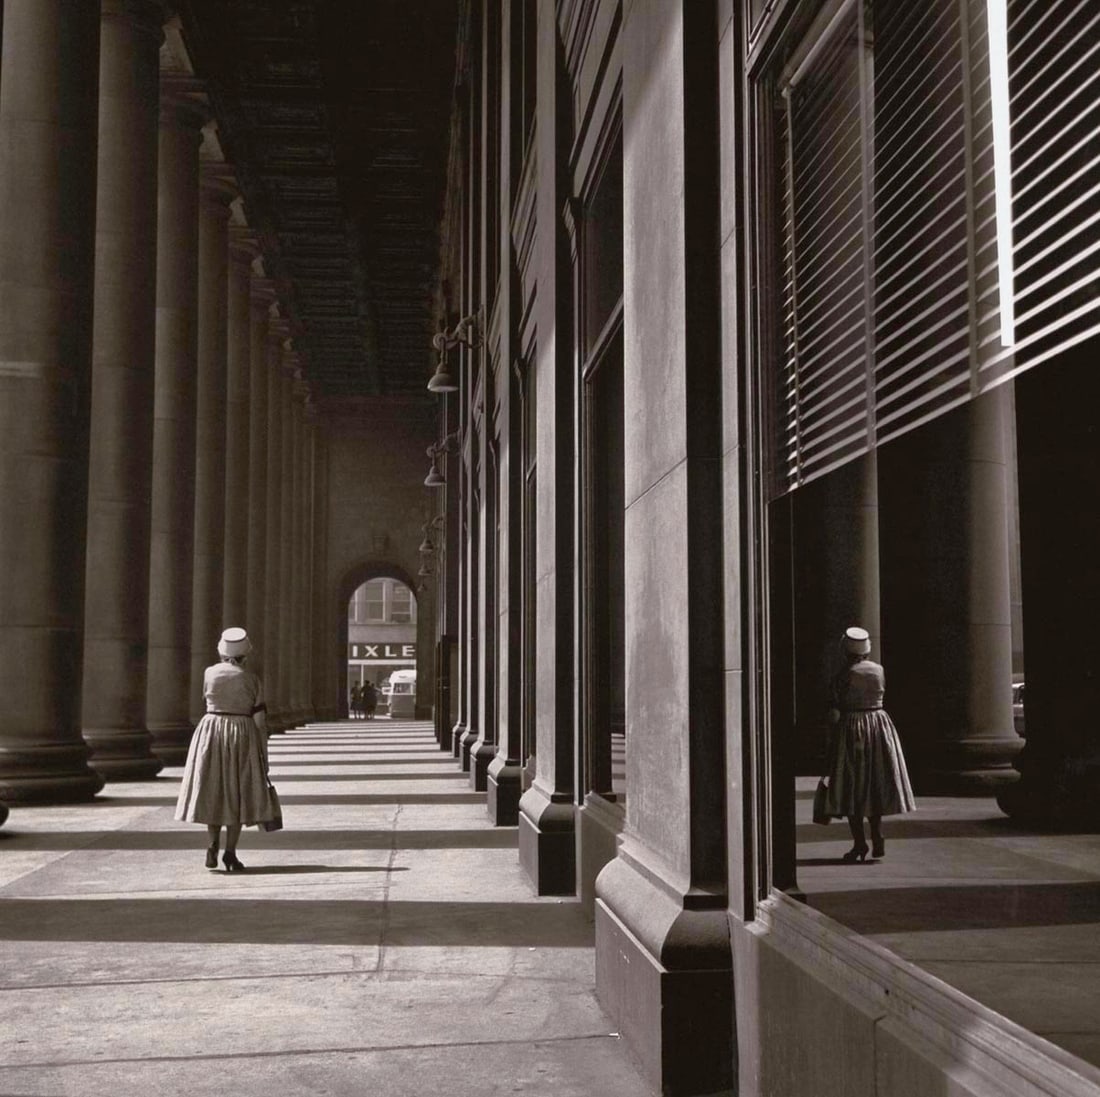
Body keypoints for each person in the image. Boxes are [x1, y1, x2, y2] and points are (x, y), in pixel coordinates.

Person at [175, 627, 275, 872]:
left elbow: (206, 699)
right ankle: (230, 853)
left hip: (211, 730)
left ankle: (212, 844)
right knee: (237, 793)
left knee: (213, 790)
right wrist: (263, 752)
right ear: (245, 655)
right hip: (241, 731)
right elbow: (260, 720)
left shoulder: (209, 673)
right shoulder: (251, 679)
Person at [821, 626, 915, 862]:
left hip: (853, 726)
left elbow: (834, 704)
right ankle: (877, 834)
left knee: (852, 787)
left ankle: (859, 843)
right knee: (874, 783)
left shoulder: (844, 674)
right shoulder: (878, 670)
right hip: (879, 724)